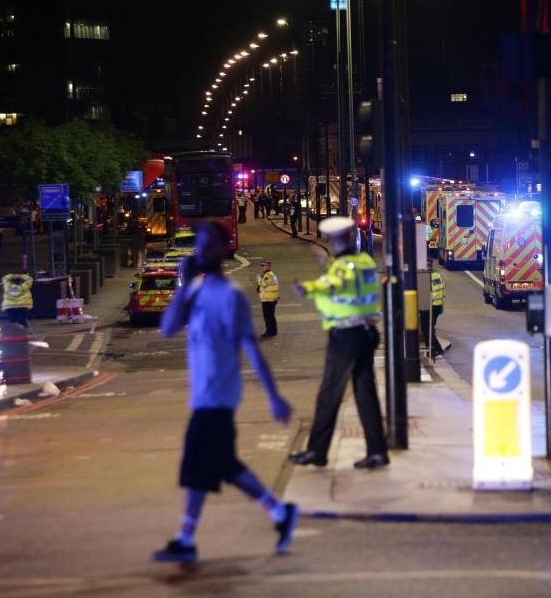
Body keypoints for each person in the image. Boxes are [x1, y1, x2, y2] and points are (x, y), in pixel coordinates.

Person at [153, 222, 297, 564]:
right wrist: (184, 285)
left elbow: (251, 346)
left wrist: (274, 395)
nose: (200, 252)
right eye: (198, 246)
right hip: (202, 394)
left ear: (222, 249)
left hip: (219, 395)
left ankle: (277, 511)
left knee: (217, 463)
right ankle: (188, 537)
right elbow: (168, 328)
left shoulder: (230, 296)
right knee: (199, 469)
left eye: (207, 246)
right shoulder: (195, 290)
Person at [289, 217, 389, 470]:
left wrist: (306, 287)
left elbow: (335, 282)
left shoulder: (342, 268)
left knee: (329, 394)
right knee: (365, 395)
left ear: (336, 241)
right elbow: (346, 275)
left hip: (346, 336)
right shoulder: (364, 261)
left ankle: (316, 451)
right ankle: (378, 452)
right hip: (366, 332)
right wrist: (327, 263)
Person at [423, 260, 449, 357]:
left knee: (427, 329)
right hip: (437, 306)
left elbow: (429, 293)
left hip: (431, 306)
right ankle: (433, 350)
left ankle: (435, 349)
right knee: (428, 328)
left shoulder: (428, 277)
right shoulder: (436, 275)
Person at [256, 261, 279, 338]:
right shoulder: (271, 274)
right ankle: (273, 331)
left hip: (268, 299)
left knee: (268, 316)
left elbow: (264, 284)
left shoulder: (268, 275)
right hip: (272, 298)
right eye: (261, 265)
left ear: (268, 266)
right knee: (271, 316)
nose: (262, 267)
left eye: (263, 265)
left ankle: (270, 332)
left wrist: (258, 278)